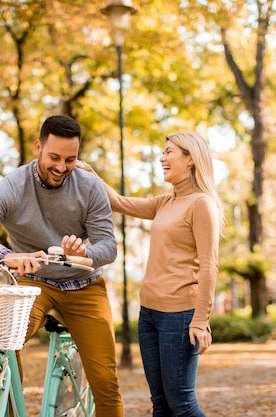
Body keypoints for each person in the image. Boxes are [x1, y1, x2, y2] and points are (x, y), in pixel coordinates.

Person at [0, 115, 124, 417]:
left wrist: (84, 254)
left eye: (70, 159)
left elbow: (108, 246)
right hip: (34, 283)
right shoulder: (13, 186)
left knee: (105, 381)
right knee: (2, 347)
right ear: (38, 147)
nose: (61, 167)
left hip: (85, 286)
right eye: (54, 157)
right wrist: (6, 255)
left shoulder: (90, 187)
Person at [78, 132, 225, 417]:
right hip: (150, 315)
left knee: (182, 405)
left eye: (169, 152)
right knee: (160, 404)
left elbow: (209, 265)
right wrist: (91, 174)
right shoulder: (165, 203)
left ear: (191, 159)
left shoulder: (202, 204)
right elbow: (119, 202)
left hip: (180, 315)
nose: (162, 157)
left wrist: (201, 320)